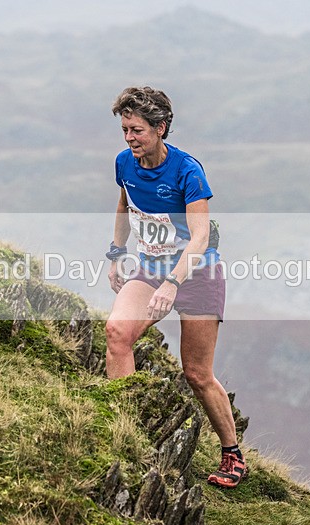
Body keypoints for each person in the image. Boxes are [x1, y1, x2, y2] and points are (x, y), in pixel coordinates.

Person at [103, 86, 245, 489]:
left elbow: (199, 238)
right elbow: (124, 205)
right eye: (125, 130)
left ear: (160, 128)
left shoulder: (187, 171)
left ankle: (232, 454)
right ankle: (127, 432)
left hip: (198, 275)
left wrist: (172, 282)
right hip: (150, 269)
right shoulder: (124, 164)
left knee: (198, 374)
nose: (130, 138)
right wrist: (116, 252)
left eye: (138, 131)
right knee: (117, 333)